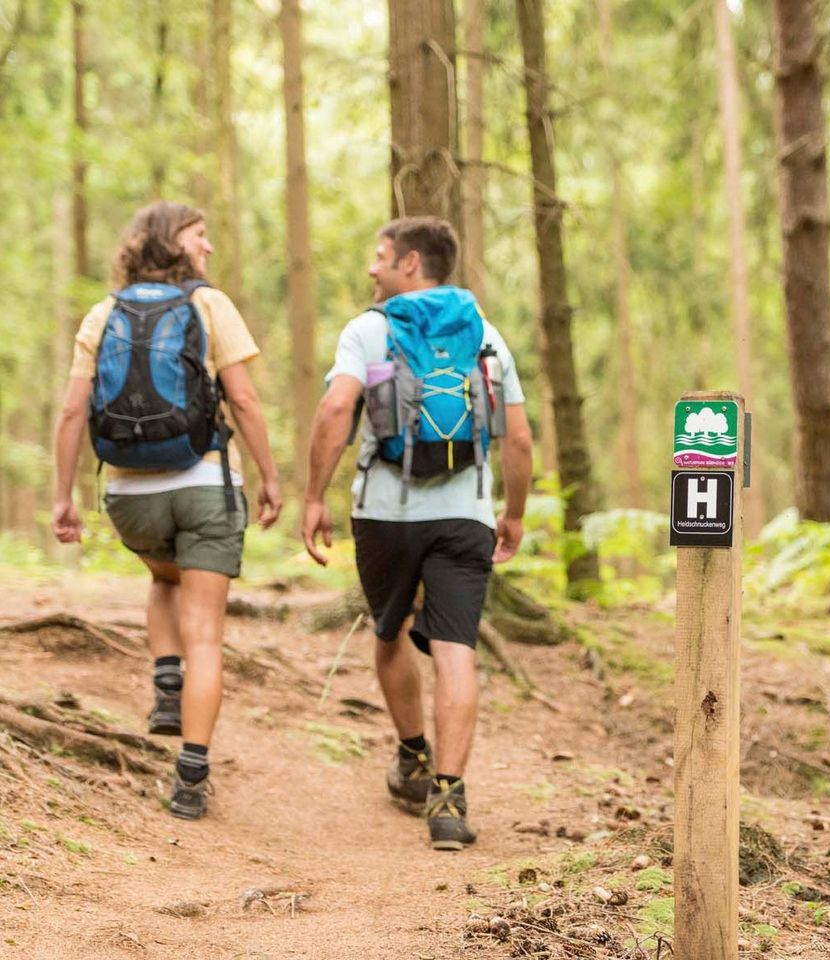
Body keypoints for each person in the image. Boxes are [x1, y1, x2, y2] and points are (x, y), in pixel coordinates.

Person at [302, 216, 533, 850]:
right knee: (457, 648)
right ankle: (450, 803)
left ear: (410, 264)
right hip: (465, 515)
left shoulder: (368, 331)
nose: (372, 268)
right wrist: (512, 513)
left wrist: (313, 496)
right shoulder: (485, 336)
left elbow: (333, 411)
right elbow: (516, 437)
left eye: (380, 257)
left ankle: (412, 759)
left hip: (384, 514)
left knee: (390, 629)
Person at [52, 201, 281, 821]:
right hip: (204, 481)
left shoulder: (105, 313)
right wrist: (269, 476)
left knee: (162, 576)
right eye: (199, 236)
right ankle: (190, 777)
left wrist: (63, 496)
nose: (208, 248)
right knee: (206, 631)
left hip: (129, 495)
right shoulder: (210, 306)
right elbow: (246, 400)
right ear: (172, 244)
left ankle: (165, 682)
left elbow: (73, 412)